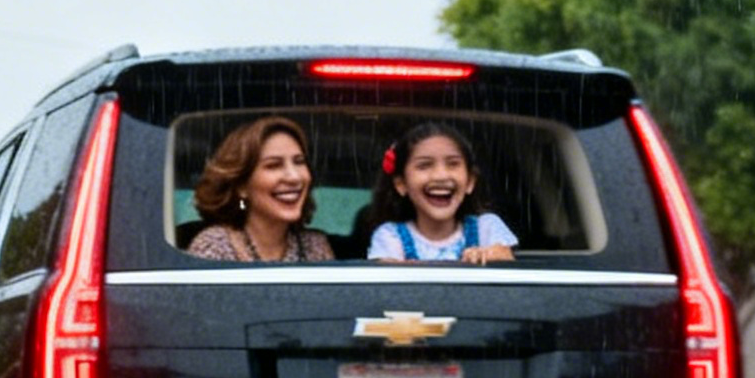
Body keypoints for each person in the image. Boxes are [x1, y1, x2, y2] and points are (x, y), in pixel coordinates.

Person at [185, 116, 334, 263]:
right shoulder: (214, 246)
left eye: (299, 162)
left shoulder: (315, 247)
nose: (294, 177)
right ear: (241, 186)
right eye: (274, 165)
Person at [363, 123, 517, 264]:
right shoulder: (391, 236)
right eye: (424, 165)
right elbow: (389, 284)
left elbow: (504, 257)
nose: (441, 175)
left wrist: (488, 255)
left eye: (453, 164)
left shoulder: (486, 227)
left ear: (470, 182)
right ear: (401, 184)